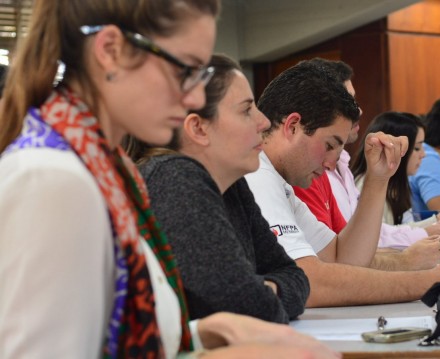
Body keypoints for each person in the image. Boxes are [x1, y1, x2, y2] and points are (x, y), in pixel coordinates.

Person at [0, 1, 337, 358]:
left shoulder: (108, 171)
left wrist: (197, 335)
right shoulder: (53, 180)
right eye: (185, 70)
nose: (194, 97)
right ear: (111, 52)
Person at [245, 60, 440, 307]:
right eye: (329, 145)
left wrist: (378, 178)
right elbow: (309, 281)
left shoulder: (280, 183)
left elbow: (342, 259)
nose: (327, 163)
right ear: (292, 126)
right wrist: (433, 280)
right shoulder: (256, 175)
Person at [129, 55, 310, 324]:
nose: (262, 122)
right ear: (198, 128)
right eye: (246, 110)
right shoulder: (174, 179)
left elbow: (295, 278)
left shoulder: (232, 185)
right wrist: (266, 292)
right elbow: (246, 306)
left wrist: (264, 290)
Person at [292, 58, 440, 251]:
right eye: (347, 102)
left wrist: (430, 229)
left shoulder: (341, 164)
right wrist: (411, 261)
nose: (358, 110)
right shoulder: (308, 172)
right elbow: (342, 253)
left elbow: (365, 237)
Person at [351, 111, 426, 225]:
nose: (423, 154)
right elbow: (383, 237)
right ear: (391, 148)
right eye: (417, 148)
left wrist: (437, 222)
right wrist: (431, 228)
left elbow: (403, 230)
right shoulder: (366, 185)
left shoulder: (395, 185)